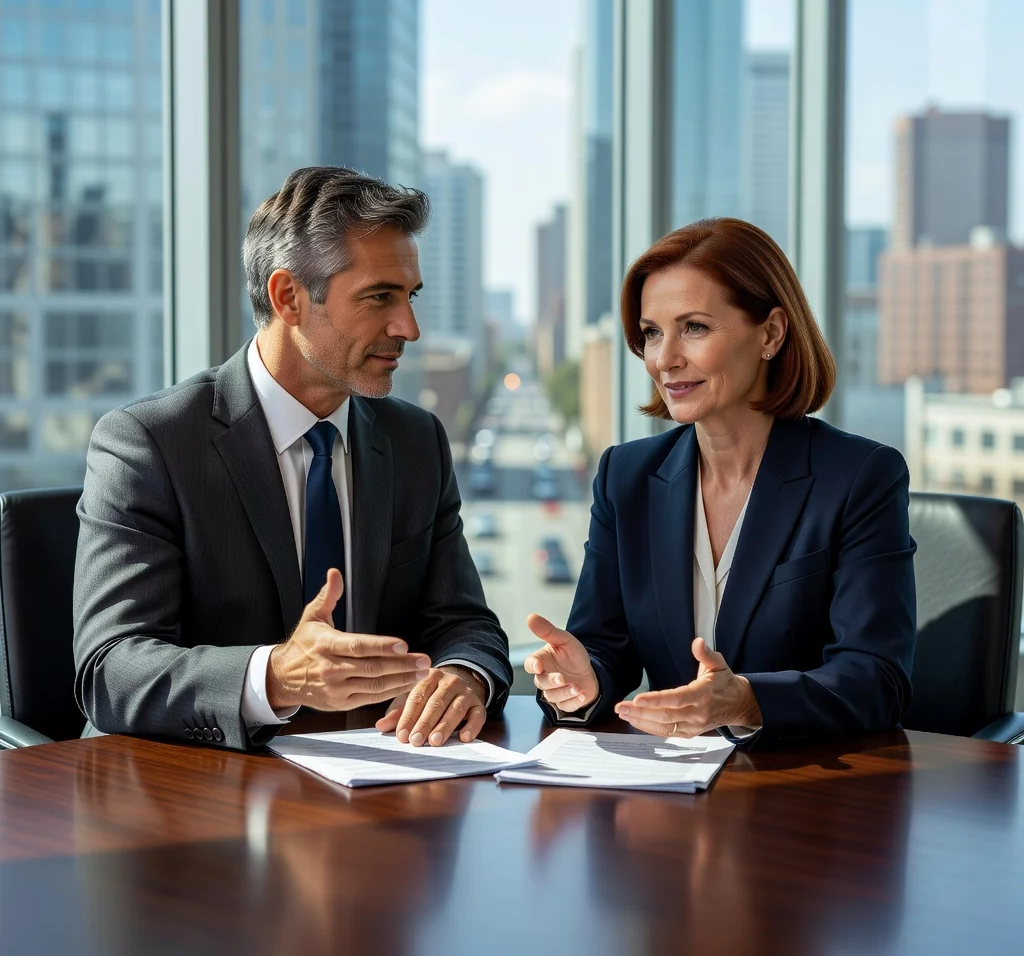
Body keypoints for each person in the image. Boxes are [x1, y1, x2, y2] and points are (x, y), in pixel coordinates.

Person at [73, 166, 512, 750]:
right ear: (289, 298)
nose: (408, 326)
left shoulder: (416, 441)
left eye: (409, 297)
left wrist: (464, 675)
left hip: (380, 781)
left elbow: (464, 622)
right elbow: (111, 668)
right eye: (380, 297)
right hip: (192, 796)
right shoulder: (148, 443)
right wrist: (276, 677)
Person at [525, 217, 915, 745]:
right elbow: (605, 648)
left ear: (771, 334)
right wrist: (584, 682)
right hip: (670, 796)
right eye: (652, 333)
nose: (665, 359)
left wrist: (749, 701)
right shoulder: (626, 477)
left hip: (803, 793)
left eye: (695, 328)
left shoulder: (859, 477)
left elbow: (877, 680)